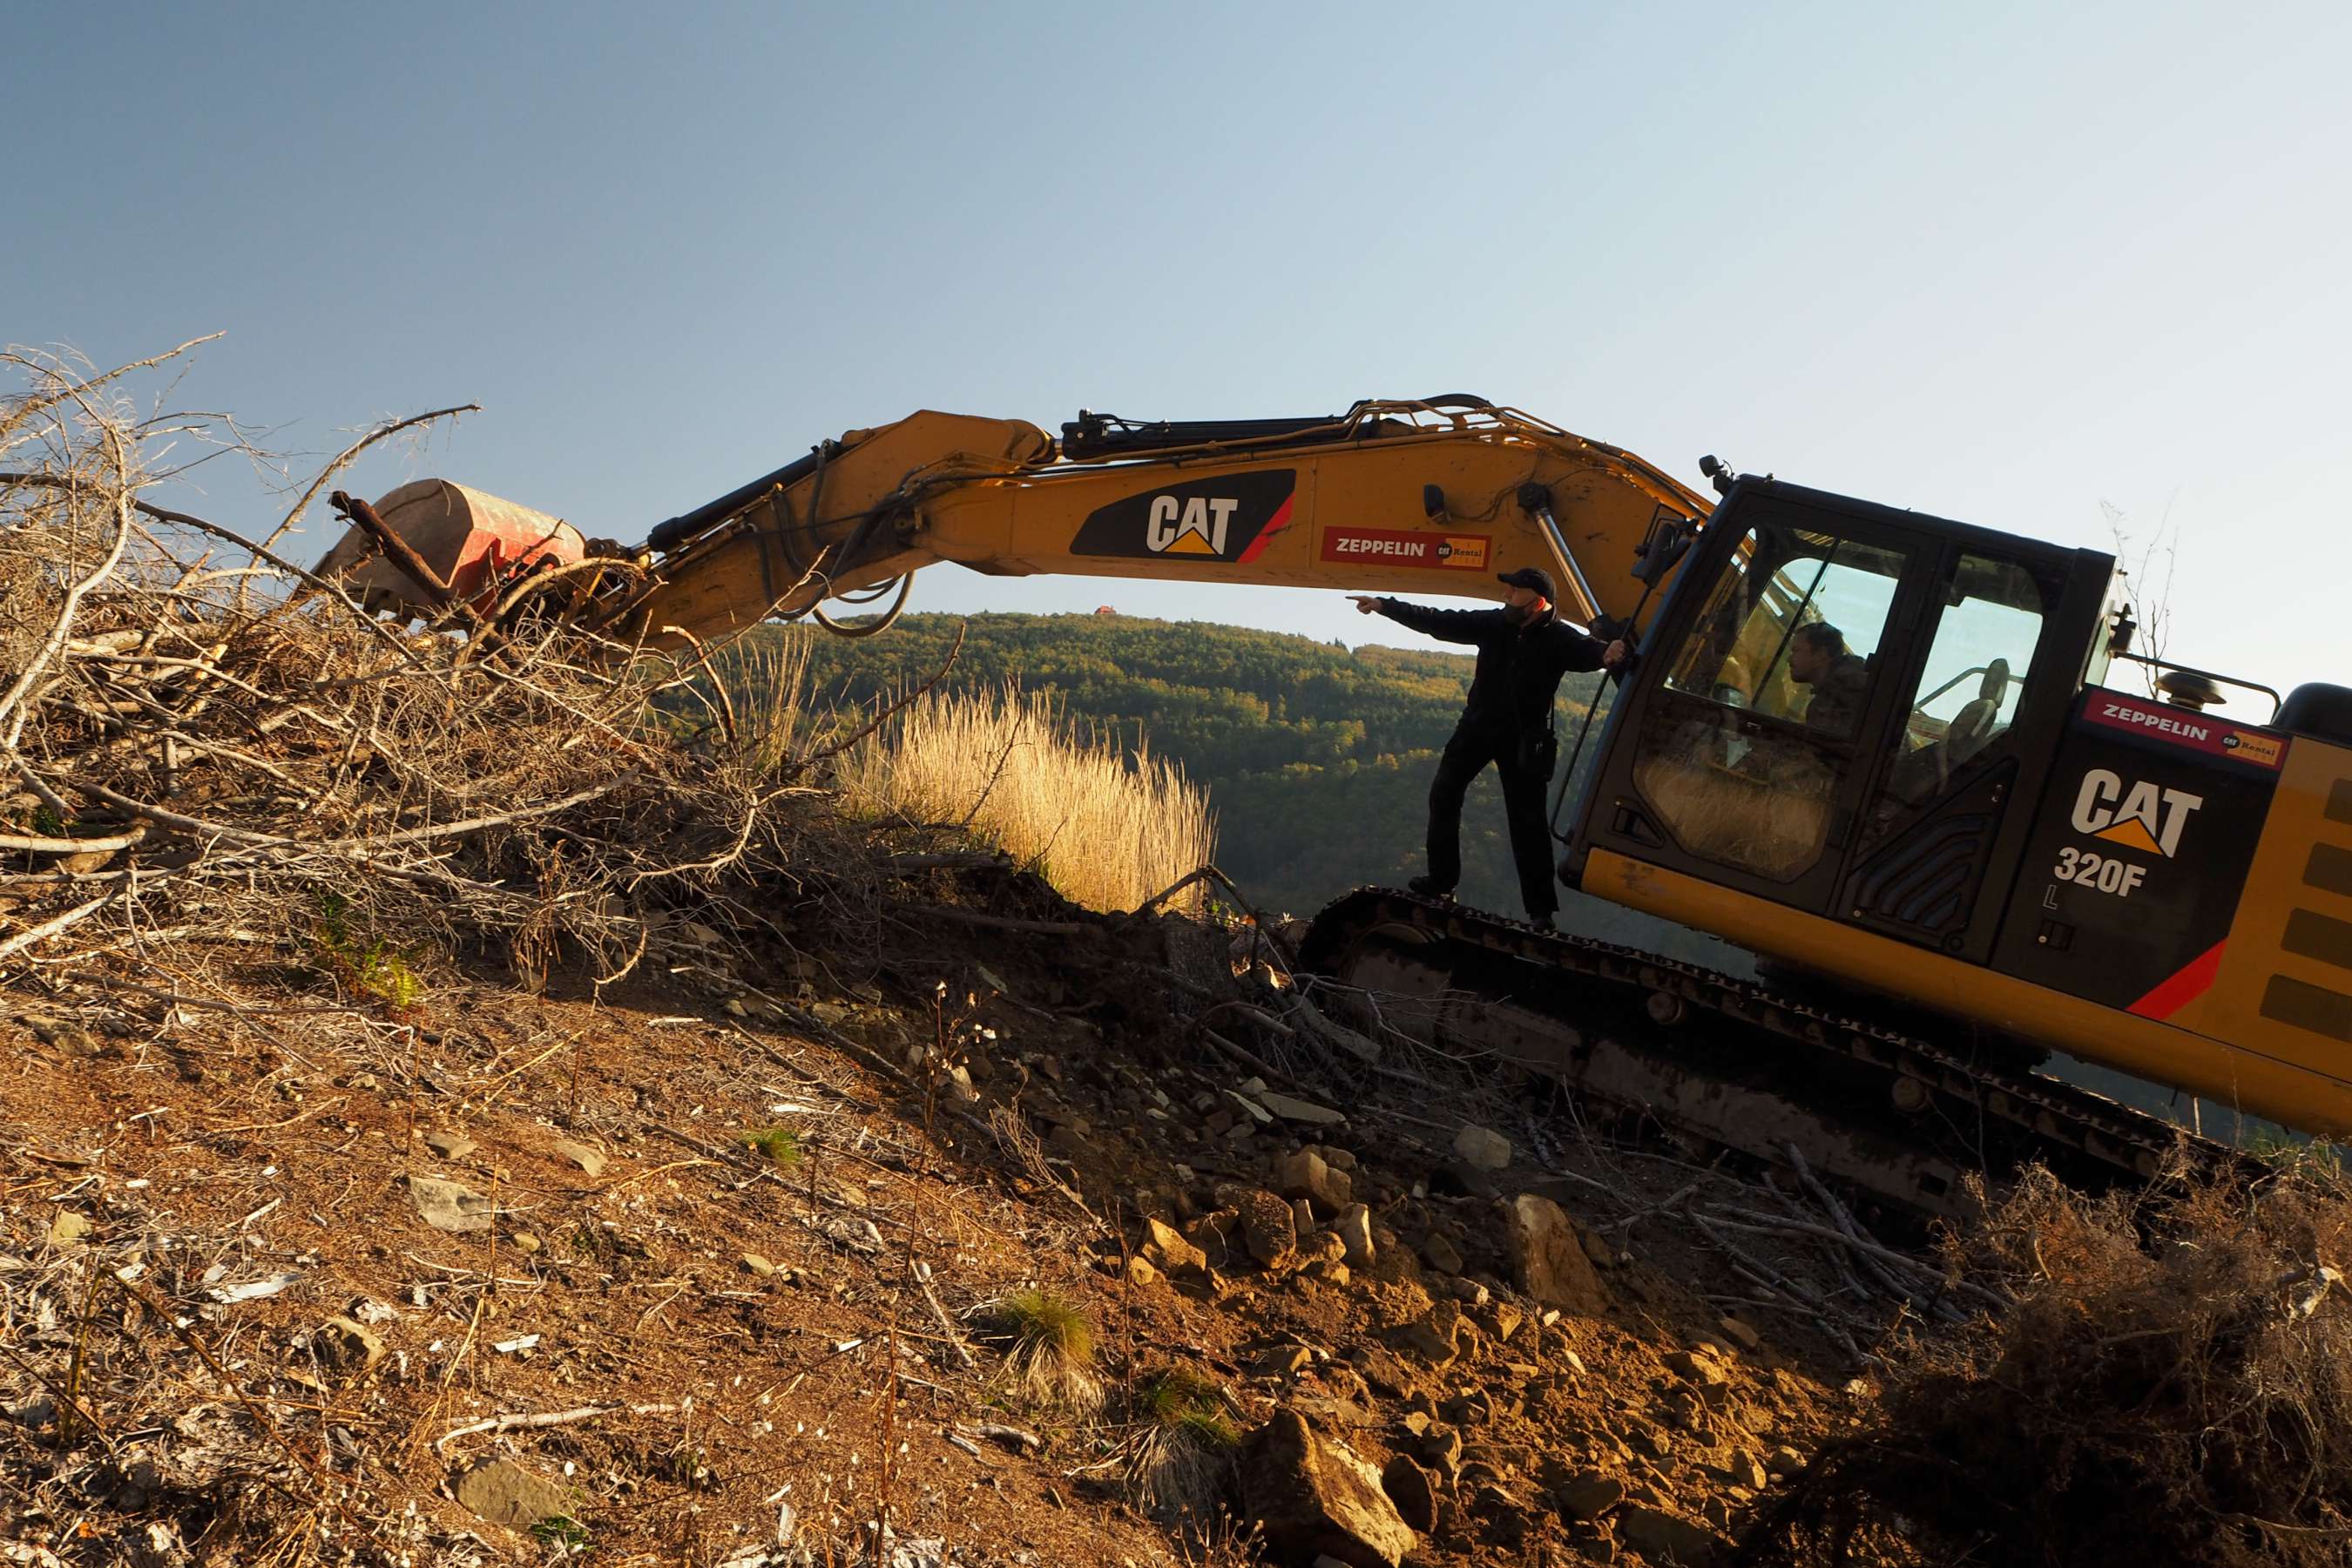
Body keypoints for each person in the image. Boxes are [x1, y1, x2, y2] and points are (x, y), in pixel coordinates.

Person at [1352, 567, 1628, 929]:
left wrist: (1612, 651)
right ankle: (1441, 882)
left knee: (1527, 821)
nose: (1506, 597)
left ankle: (1540, 913)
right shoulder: (1494, 625)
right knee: (1444, 794)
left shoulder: (1561, 639)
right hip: (1476, 729)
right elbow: (1439, 621)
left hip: (1524, 741)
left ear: (1538, 602)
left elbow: (1593, 654)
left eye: (1513, 593)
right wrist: (1386, 605)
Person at [1786, 621, 1870, 736]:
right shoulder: (1834, 692)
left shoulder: (1848, 693)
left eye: (1796, 651)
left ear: (1821, 654)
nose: (1789, 659)